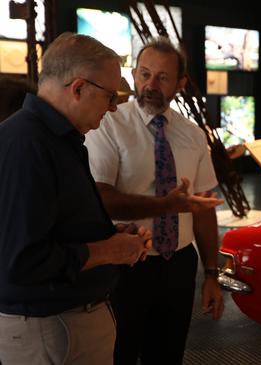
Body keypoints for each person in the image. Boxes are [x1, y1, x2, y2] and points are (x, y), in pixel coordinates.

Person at [0, 33, 152, 365]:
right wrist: (109, 250)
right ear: (78, 88)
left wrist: (110, 235)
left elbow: (54, 226)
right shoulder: (28, 144)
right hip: (50, 329)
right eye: (110, 96)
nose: (114, 108)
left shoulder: (56, 140)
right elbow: (23, 261)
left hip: (64, 326)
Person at [85, 37, 225, 365]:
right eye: (145, 74)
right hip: (126, 263)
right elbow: (102, 200)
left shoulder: (192, 134)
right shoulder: (109, 124)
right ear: (133, 74)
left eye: (162, 77)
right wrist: (168, 205)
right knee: (119, 352)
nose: (151, 85)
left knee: (168, 353)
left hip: (178, 264)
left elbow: (203, 208)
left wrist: (211, 275)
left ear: (180, 83)